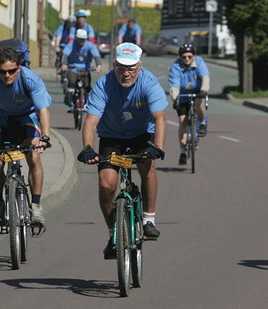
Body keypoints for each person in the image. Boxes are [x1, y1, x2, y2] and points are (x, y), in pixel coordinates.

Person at [78, 42, 168, 259]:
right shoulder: (104, 84)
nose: (126, 74)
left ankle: (148, 220)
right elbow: (91, 121)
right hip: (112, 137)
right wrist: (88, 148)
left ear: (140, 66)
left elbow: (160, 118)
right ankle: (113, 233)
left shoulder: (148, 82)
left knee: (147, 168)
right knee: (106, 184)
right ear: (114, 65)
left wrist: (158, 147)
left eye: (131, 69)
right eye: (120, 68)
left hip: (141, 135)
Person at [0, 47, 52, 226]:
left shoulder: (30, 79)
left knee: (33, 156)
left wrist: (45, 137)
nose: (7, 75)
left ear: (19, 68)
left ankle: (36, 206)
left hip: (27, 119)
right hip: (1, 121)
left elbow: (42, 109)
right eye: (2, 72)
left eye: (11, 71)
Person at [168, 43, 210, 165]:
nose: (187, 59)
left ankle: (202, 123)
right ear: (180, 58)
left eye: (189, 56)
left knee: (199, 102)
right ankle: (182, 152)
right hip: (182, 95)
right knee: (182, 121)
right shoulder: (175, 66)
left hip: (197, 91)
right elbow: (174, 86)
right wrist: (175, 98)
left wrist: (204, 90)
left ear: (194, 56)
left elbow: (205, 77)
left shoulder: (199, 62)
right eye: (184, 57)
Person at [61, 29, 102, 113]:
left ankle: (86, 105)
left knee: (87, 87)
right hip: (73, 68)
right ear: (76, 38)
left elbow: (96, 56)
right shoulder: (71, 44)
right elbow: (65, 54)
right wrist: (64, 64)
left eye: (83, 39)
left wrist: (98, 66)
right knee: (71, 83)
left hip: (85, 70)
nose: (81, 41)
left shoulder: (90, 45)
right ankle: (70, 104)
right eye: (80, 39)